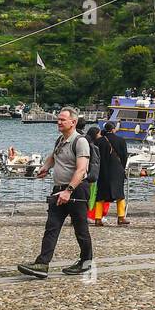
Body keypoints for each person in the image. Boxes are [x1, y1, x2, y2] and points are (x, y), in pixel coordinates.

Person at [17, 108, 92, 278]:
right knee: (52, 226)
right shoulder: (60, 140)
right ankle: (42, 264)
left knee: (81, 230)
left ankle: (86, 262)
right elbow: (53, 156)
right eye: (58, 119)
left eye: (63, 120)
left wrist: (69, 191)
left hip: (76, 191)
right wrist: (45, 167)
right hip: (59, 190)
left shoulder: (80, 142)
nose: (59, 122)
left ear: (73, 122)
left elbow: (81, 170)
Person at [90, 121, 129, 226]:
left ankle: (98, 219)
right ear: (114, 129)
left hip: (102, 170)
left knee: (100, 195)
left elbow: (95, 157)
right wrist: (122, 168)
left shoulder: (99, 141)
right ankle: (121, 217)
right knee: (120, 195)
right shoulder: (121, 140)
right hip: (117, 170)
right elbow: (124, 156)